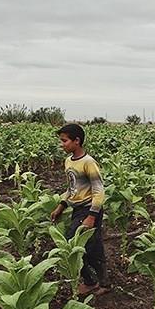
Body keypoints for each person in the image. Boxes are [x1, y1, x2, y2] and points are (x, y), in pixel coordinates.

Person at [50, 123, 110, 296]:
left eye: (65, 141)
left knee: (75, 245)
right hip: (77, 209)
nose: (62, 144)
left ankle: (95, 282)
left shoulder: (89, 163)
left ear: (77, 141)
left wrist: (92, 216)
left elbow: (99, 191)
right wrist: (61, 205)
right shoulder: (68, 161)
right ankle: (95, 281)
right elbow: (72, 188)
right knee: (88, 246)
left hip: (90, 209)